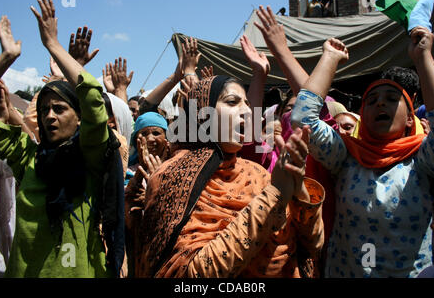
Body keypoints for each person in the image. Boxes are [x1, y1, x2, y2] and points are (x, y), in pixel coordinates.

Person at [128, 73, 325, 278]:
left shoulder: (257, 172)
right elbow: (188, 274)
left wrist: (297, 185)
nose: (247, 111)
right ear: (202, 114)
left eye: (248, 104)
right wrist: (274, 195)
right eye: (232, 102)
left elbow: (313, 246)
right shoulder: (172, 177)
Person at [291, 24, 434, 277]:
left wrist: (423, 57)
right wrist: (329, 58)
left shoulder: (424, 161)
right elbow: (302, 120)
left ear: (410, 118)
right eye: (371, 101)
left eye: (392, 98)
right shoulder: (345, 156)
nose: (381, 103)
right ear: (362, 115)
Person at [0, 0, 124, 277]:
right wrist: (5, 59)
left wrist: (52, 45)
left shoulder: (89, 156)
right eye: (44, 110)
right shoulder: (28, 159)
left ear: (79, 117)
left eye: (59, 108)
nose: (49, 116)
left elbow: (92, 97)